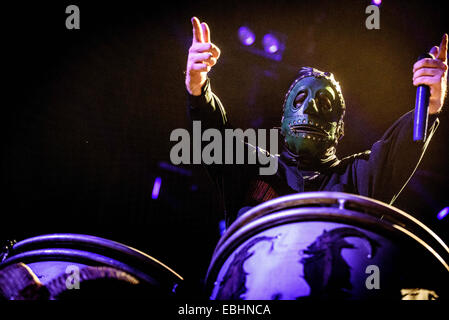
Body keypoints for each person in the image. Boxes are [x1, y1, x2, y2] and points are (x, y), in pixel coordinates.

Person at [185, 17, 448, 228]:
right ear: (284, 118)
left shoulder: (358, 176)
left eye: (324, 102)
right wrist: (198, 87)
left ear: (339, 128)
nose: (310, 107)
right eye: (300, 99)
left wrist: (431, 103)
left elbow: (399, 150)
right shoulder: (253, 166)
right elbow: (212, 133)